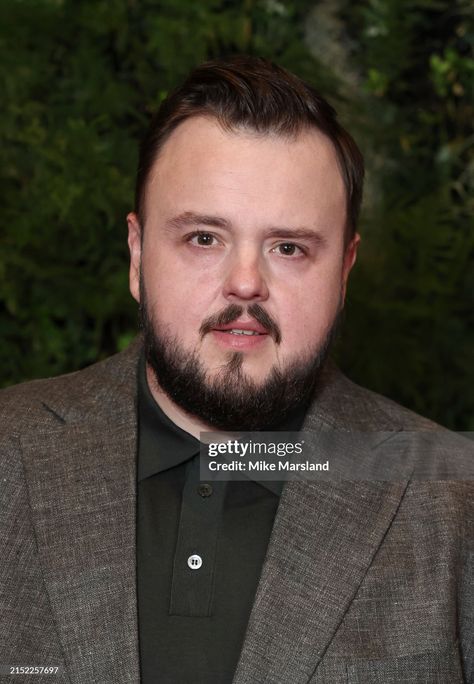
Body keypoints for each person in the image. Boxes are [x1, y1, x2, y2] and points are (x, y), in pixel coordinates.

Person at [0, 56, 472, 684]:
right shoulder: (9, 452)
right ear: (138, 255)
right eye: (203, 238)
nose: (246, 282)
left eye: (288, 247)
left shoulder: (454, 503)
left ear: (345, 271)